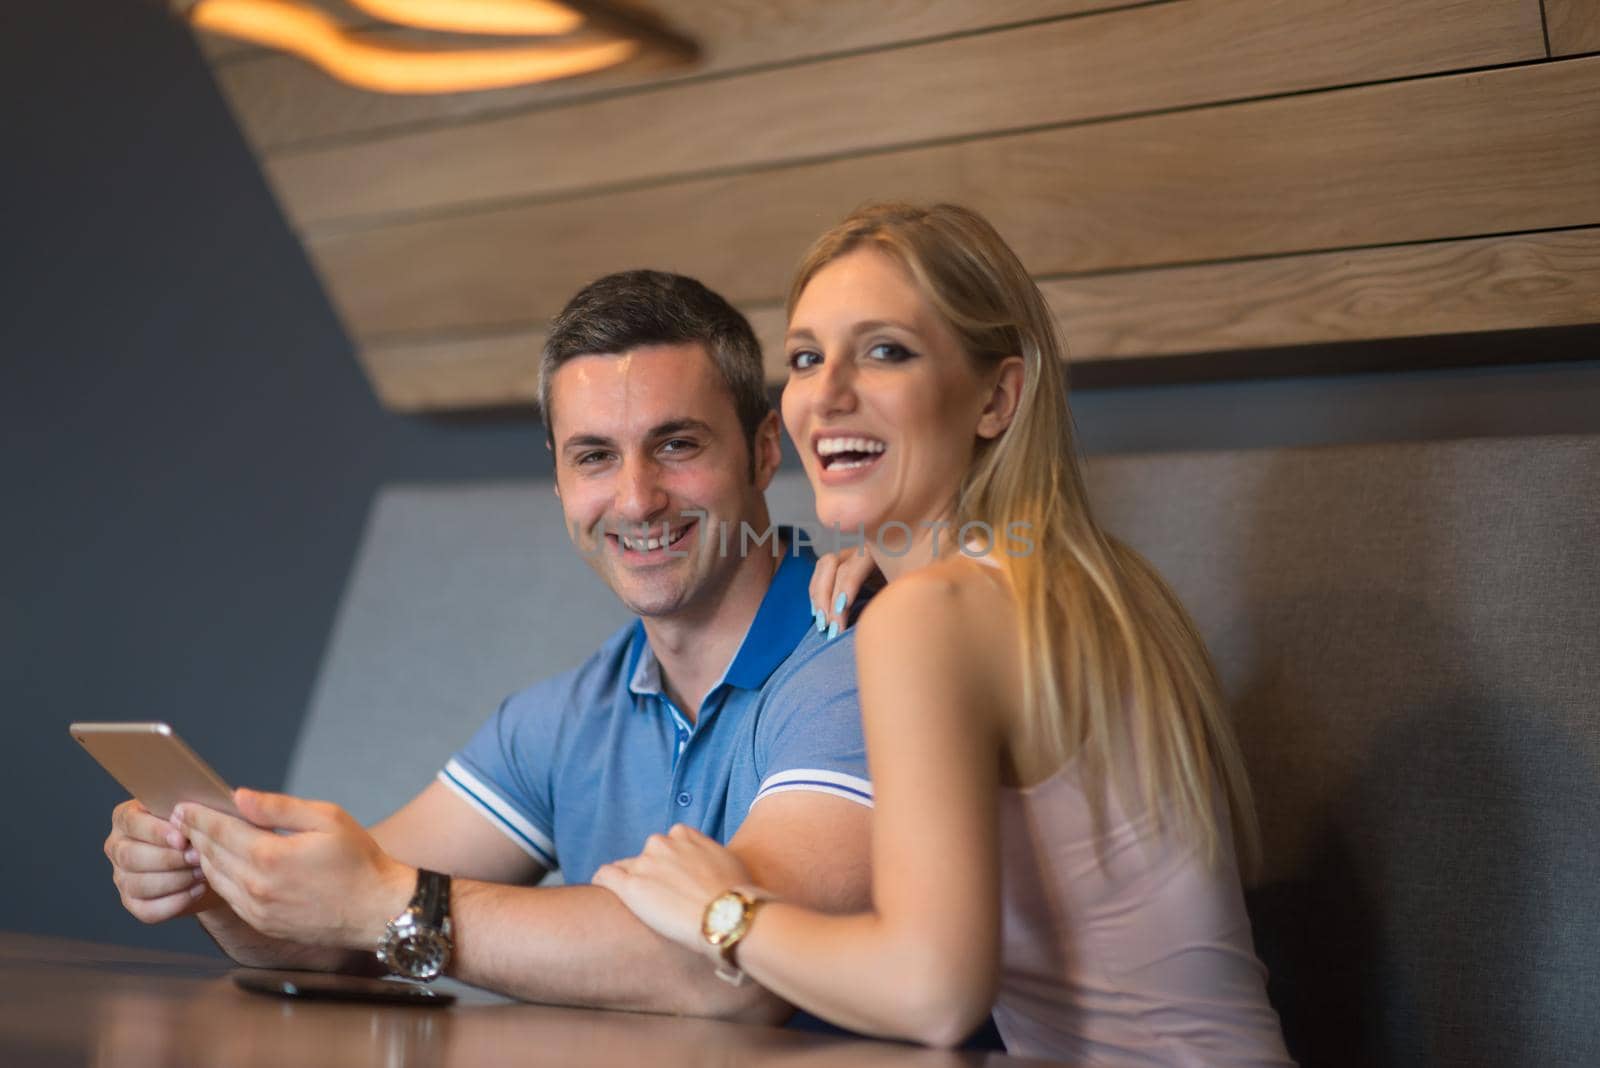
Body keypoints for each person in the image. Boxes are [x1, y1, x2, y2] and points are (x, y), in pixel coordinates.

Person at [594, 204, 1295, 1063]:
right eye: (808, 357)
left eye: (886, 351)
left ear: (997, 398)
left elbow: (931, 994)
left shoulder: (934, 619)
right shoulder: (1092, 583)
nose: (828, 394)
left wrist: (719, 912)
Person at [102, 270, 874, 1021]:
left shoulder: (859, 661)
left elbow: (730, 971)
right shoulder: (570, 714)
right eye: (595, 455)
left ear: (765, 449)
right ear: (560, 480)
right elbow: (324, 931)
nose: (637, 499)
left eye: (676, 444)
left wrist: (391, 901)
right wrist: (214, 877)